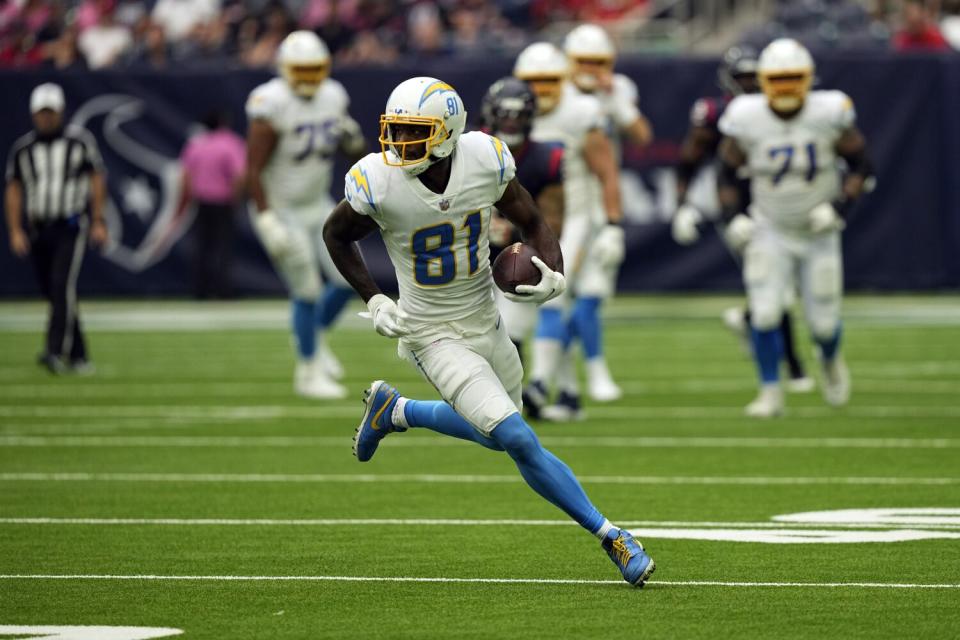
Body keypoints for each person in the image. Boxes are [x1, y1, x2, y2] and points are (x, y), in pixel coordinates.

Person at [323, 76, 656, 587]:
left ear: (449, 132)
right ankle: (613, 535)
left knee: (503, 435)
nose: (398, 144)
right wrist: (373, 296)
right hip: (430, 332)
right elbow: (336, 234)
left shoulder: (484, 159)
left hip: (486, 320)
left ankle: (398, 411)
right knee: (518, 438)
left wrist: (552, 271)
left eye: (415, 132)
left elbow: (532, 219)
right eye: (395, 131)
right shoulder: (378, 179)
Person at [717, 38, 872, 417]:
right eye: (778, 79)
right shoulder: (747, 115)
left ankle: (831, 359)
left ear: (809, 79)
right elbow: (726, 171)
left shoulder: (829, 111)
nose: (786, 88)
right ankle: (770, 391)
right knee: (766, 312)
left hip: (819, 230)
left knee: (823, 324)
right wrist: (733, 215)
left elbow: (862, 166)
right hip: (770, 227)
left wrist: (839, 207)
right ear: (764, 80)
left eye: (793, 78)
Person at [671, 45, 813, 393]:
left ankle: (750, 320)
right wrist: (683, 205)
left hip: (776, 206)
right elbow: (690, 159)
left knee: (779, 285)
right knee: (775, 286)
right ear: (728, 80)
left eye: (754, 76)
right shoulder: (715, 112)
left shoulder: (782, 110)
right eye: (743, 77)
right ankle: (793, 367)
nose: (749, 83)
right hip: (737, 210)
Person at [246, 30, 366, 399]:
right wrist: (266, 218)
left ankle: (312, 338)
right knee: (307, 290)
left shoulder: (333, 95)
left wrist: (352, 140)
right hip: (280, 209)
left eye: (316, 69)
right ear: (284, 68)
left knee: (347, 281)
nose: (310, 78)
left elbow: (353, 150)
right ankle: (308, 371)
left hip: (316, 204)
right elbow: (252, 170)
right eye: (302, 70)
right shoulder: (271, 103)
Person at [513, 41, 624, 420]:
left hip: (575, 219)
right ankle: (570, 396)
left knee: (552, 297)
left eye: (549, 81)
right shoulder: (512, 114)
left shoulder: (581, 111)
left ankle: (541, 382)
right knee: (532, 303)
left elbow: (606, 170)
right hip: (527, 220)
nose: (542, 90)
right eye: (534, 82)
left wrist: (612, 224)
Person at [558, 23, 654, 406]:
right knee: (558, 298)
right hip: (559, 204)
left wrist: (615, 102)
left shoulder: (618, 90)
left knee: (592, 293)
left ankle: (587, 371)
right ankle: (568, 380)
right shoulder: (555, 93)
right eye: (585, 61)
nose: (592, 69)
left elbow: (642, 136)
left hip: (601, 200)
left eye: (599, 62)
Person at [4, 83, 108, 374]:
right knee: (53, 291)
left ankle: (54, 350)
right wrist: (15, 229)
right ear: (33, 114)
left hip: (70, 224)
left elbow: (97, 178)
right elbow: (13, 189)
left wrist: (98, 220)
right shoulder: (23, 149)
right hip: (39, 227)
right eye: (42, 113)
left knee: (61, 285)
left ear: (61, 112)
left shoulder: (79, 142)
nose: (46, 118)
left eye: (51, 112)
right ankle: (79, 354)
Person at [479, 77, 565, 364]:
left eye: (519, 115)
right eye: (505, 114)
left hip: (517, 259)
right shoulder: (469, 148)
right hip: (468, 258)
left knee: (508, 339)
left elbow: (552, 222)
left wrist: (514, 230)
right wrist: (481, 225)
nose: (512, 122)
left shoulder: (545, 158)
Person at [175, 110, 246, 299]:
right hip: (223, 201)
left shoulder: (196, 144)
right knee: (223, 247)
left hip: (202, 201)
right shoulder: (230, 143)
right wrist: (236, 198)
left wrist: (187, 199)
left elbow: (186, 177)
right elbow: (238, 176)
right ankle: (224, 290)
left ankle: (200, 290)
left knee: (202, 248)